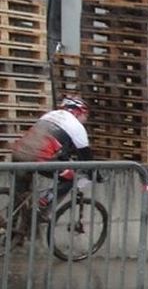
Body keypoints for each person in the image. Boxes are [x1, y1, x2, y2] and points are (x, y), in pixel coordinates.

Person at [7, 96, 94, 242]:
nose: (86, 119)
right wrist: (95, 175)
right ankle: (43, 202)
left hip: (18, 154)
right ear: (79, 112)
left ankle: (12, 235)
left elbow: (53, 144)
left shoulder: (49, 115)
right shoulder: (76, 126)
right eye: (86, 115)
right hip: (38, 159)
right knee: (71, 178)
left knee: (19, 196)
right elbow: (87, 158)